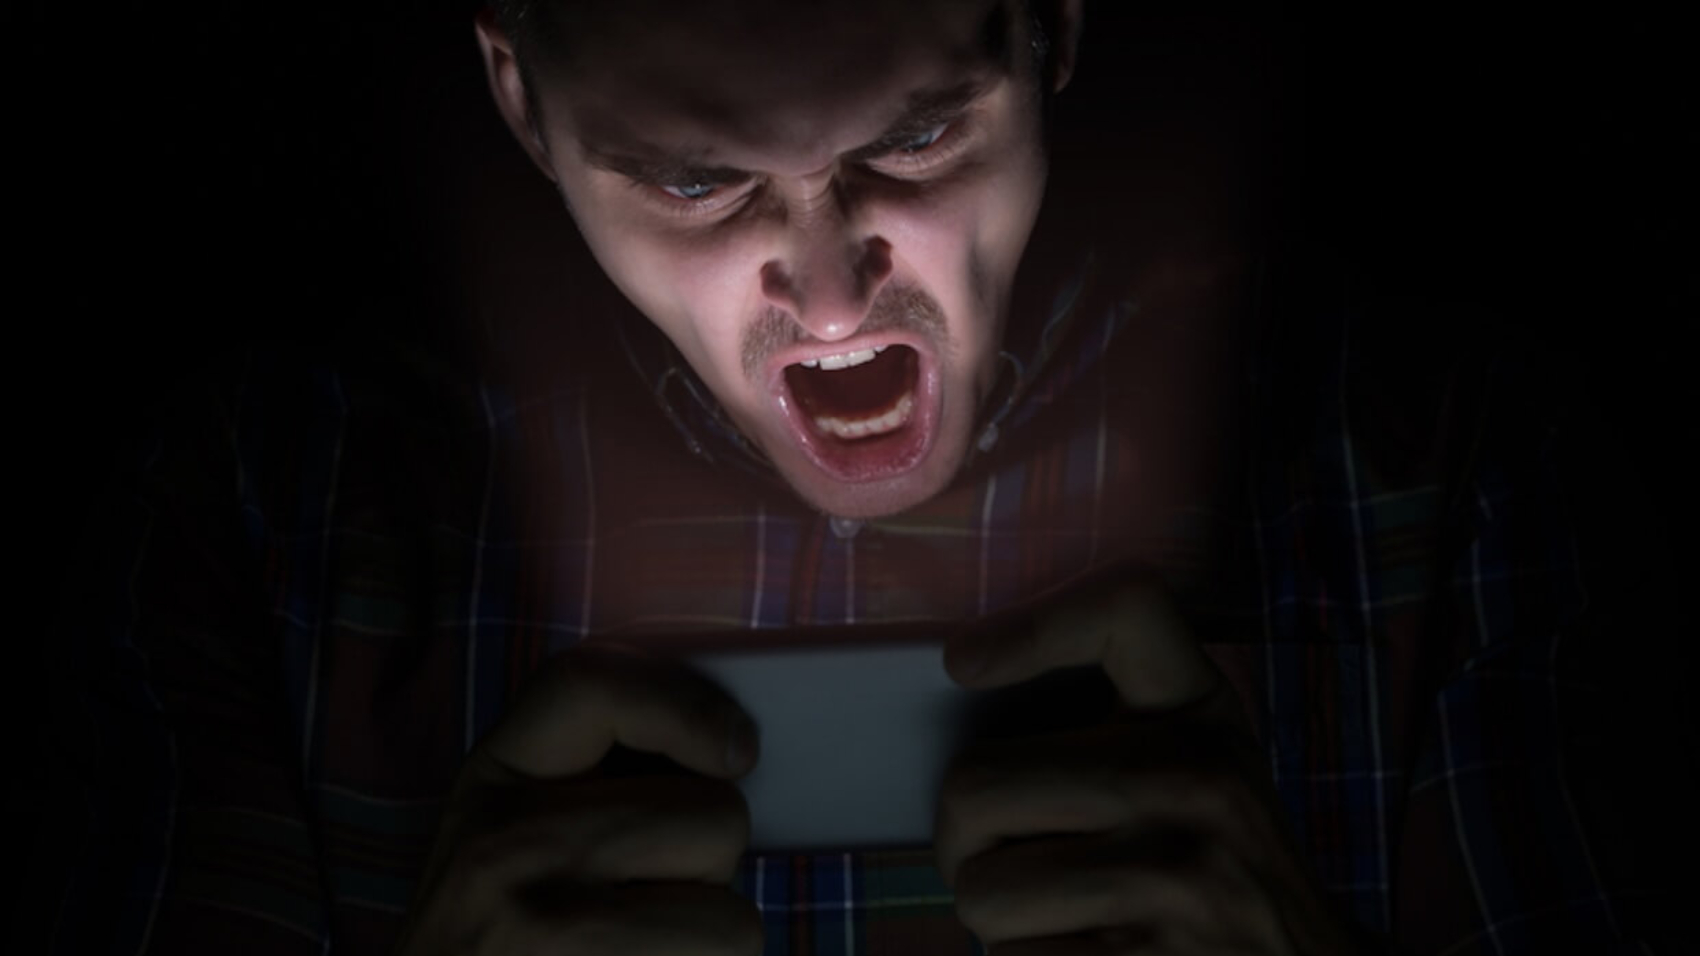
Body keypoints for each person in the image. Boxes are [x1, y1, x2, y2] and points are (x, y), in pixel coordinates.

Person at [43, 1, 1681, 954]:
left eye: (912, 142)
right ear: (518, 95)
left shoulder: (1443, 476)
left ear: (1047, 25)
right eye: (695, 179)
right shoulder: (270, 529)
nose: (828, 296)